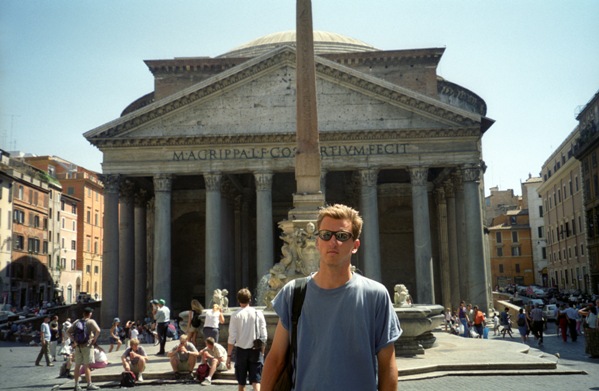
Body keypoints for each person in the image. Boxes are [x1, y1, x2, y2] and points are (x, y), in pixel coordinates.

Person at [262, 204, 401, 391]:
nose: (332, 242)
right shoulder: (293, 292)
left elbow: (388, 366)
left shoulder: (376, 295)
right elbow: (276, 358)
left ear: (355, 246)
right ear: (318, 241)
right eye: (326, 235)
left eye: (342, 236)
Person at [227, 288, 267, 391]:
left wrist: (228, 356)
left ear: (238, 300)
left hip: (241, 351)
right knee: (256, 381)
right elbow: (264, 335)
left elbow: (232, 337)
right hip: (255, 350)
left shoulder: (235, 315)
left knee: (241, 382)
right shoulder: (259, 313)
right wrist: (262, 352)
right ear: (250, 300)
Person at [68, 306, 101, 391]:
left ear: (83, 314)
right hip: (87, 346)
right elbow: (98, 330)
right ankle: (89, 384)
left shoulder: (76, 321)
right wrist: (94, 340)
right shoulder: (91, 321)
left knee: (77, 365)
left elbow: (68, 331)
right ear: (90, 314)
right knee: (86, 365)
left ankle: (76, 385)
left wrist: (74, 340)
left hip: (78, 346)